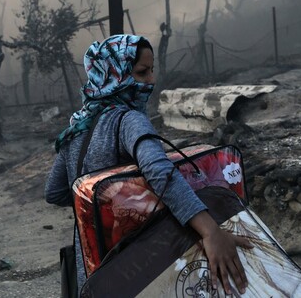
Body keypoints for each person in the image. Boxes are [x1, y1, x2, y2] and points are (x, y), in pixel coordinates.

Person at [45, 34, 252, 295]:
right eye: (142, 72)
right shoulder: (129, 120)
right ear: (115, 75)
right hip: (139, 259)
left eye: (152, 70)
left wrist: (103, 203)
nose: (151, 80)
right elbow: (158, 171)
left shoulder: (76, 129)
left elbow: (54, 193)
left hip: (92, 259)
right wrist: (210, 231)